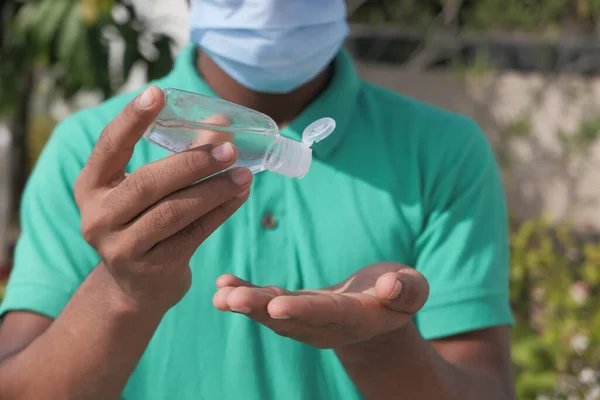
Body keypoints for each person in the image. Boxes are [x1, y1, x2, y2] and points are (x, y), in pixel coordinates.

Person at [0, 1, 515, 399]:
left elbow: (484, 385)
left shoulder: (441, 152)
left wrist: (380, 341)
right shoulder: (93, 154)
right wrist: (126, 292)